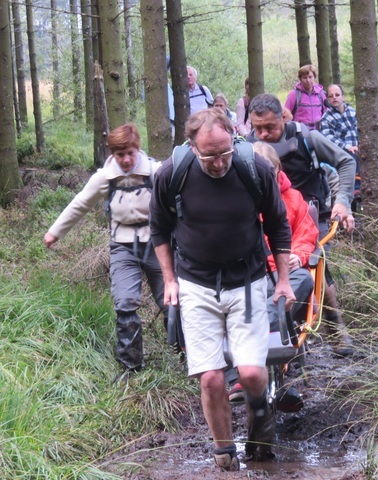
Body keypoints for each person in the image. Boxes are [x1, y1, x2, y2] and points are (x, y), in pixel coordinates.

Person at [149, 109, 295, 470]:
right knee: (212, 377)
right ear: (192, 147)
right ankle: (225, 452)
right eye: (209, 155)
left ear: (235, 139)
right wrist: (169, 280)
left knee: (250, 373)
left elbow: (278, 225)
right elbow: (159, 232)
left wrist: (283, 280)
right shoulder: (172, 173)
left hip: (247, 282)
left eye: (225, 152)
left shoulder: (255, 169)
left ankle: (260, 419)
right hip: (196, 284)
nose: (218, 163)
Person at [44, 123, 166, 376]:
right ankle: (131, 367)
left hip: (157, 244)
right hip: (123, 246)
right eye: (120, 154)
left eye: (130, 153)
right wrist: (55, 232)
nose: (126, 159)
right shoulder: (104, 178)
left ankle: (186, 357)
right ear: (112, 153)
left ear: (138, 148)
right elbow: (79, 204)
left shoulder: (156, 172)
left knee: (172, 303)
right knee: (125, 304)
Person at [247, 93, 355, 357]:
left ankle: (335, 328)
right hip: (265, 217)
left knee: (317, 264)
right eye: (257, 127)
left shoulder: (307, 138)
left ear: (284, 117)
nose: (263, 134)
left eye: (270, 127)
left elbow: (346, 161)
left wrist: (343, 201)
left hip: (308, 211)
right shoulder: (247, 147)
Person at [228, 141, 319, 405]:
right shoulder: (234, 199)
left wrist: (297, 256)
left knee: (303, 278)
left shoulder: (293, 199)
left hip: (283, 274)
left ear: (278, 170)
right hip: (247, 275)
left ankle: (257, 346)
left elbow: (306, 234)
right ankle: (245, 372)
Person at [320, 84, 361, 195]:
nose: (334, 98)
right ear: (328, 99)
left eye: (337, 95)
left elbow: (362, 132)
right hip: (340, 153)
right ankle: (355, 189)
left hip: (359, 149)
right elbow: (328, 138)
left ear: (343, 97)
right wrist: (347, 147)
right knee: (351, 155)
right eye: (331, 96)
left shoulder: (353, 112)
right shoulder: (326, 118)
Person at [283, 64, 327, 130]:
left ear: (314, 77)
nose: (308, 80)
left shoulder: (321, 94)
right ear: (300, 79)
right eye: (305, 77)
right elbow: (285, 114)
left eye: (310, 77)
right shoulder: (294, 94)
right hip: (300, 131)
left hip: (319, 130)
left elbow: (327, 113)